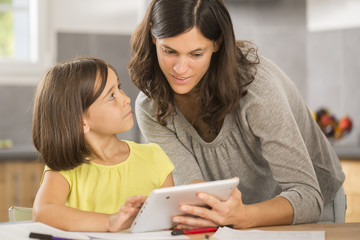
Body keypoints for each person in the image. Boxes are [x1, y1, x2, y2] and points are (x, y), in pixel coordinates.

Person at [128, 0, 345, 229]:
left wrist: (243, 216)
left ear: (217, 43)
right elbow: (196, 193)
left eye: (196, 54)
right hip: (236, 216)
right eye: (169, 51)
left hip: (312, 202)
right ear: (153, 35)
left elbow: (308, 197)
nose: (180, 69)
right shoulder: (151, 108)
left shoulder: (257, 88)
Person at [32, 57, 174, 232]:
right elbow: (43, 212)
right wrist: (110, 221)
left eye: (119, 88)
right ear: (81, 123)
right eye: (111, 96)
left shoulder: (154, 157)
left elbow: (170, 225)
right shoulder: (65, 168)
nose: (126, 99)